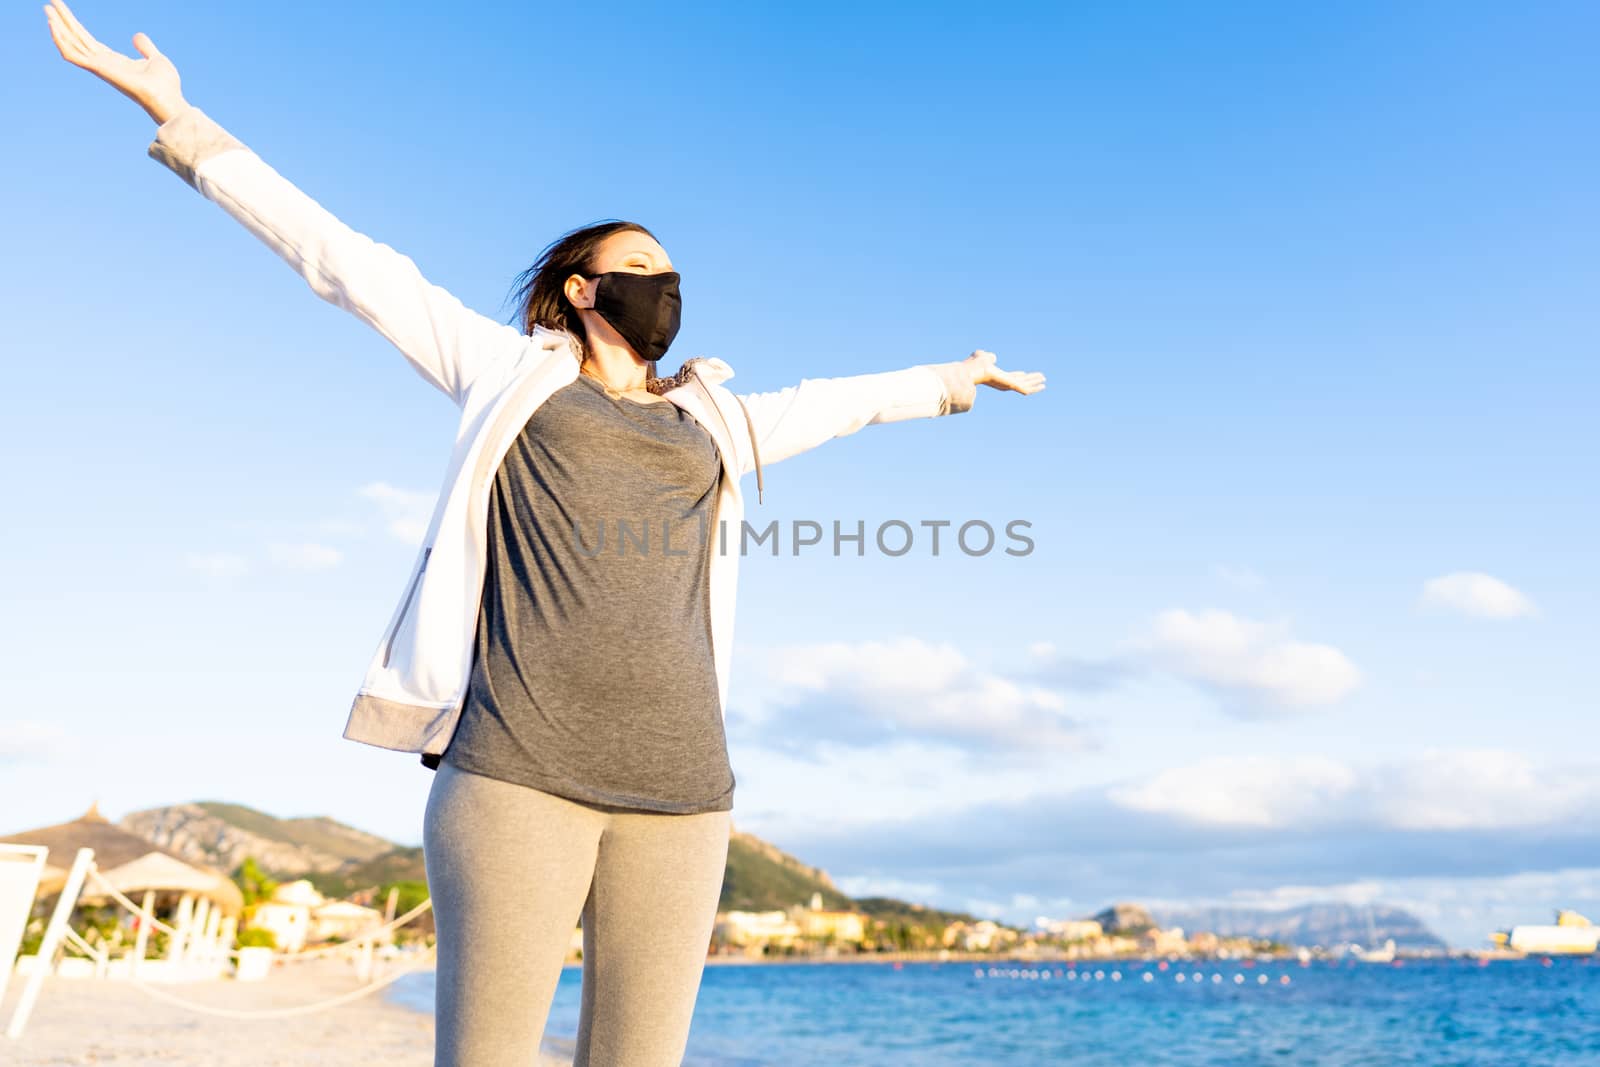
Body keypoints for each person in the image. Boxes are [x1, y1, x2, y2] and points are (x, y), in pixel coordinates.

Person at [43, 3, 1046, 1064]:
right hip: (515, 776)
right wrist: (185, 124)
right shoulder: (508, 377)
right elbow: (346, 262)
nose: (665, 287)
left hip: (686, 794)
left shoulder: (715, 419)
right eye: (643, 266)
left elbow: (836, 401)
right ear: (585, 289)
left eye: (673, 275)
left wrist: (949, 380)